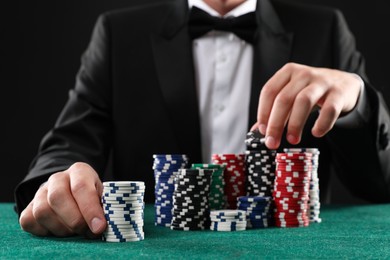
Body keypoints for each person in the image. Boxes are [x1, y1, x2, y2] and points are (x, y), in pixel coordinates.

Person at [16, 0, 390, 238]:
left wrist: (358, 100)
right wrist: (61, 182)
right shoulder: (118, 32)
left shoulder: (325, 28)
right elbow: (69, 142)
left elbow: (381, 184)